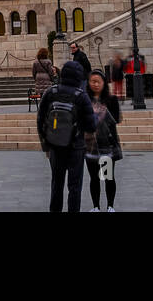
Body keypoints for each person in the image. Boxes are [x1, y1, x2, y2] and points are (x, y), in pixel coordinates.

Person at [36, 60, 97, 212]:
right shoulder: (81, 96)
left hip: (55, 146)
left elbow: (40, 119)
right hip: (76, 146)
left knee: (57, 184)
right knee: (74, 186)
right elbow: (91, 125)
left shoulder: (51, 92)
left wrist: (46, 145)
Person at [85, 69, 122, 212]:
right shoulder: (85, 99)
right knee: (94, 178)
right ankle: (96, 207)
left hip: (106, 145)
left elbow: (116, 119)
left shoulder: (111, 100)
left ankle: (110, 206)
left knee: (108, 177)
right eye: (92, 81)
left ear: (104, 83)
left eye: (98, 81)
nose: (95, 84)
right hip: (90, 145)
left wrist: (103, 113)